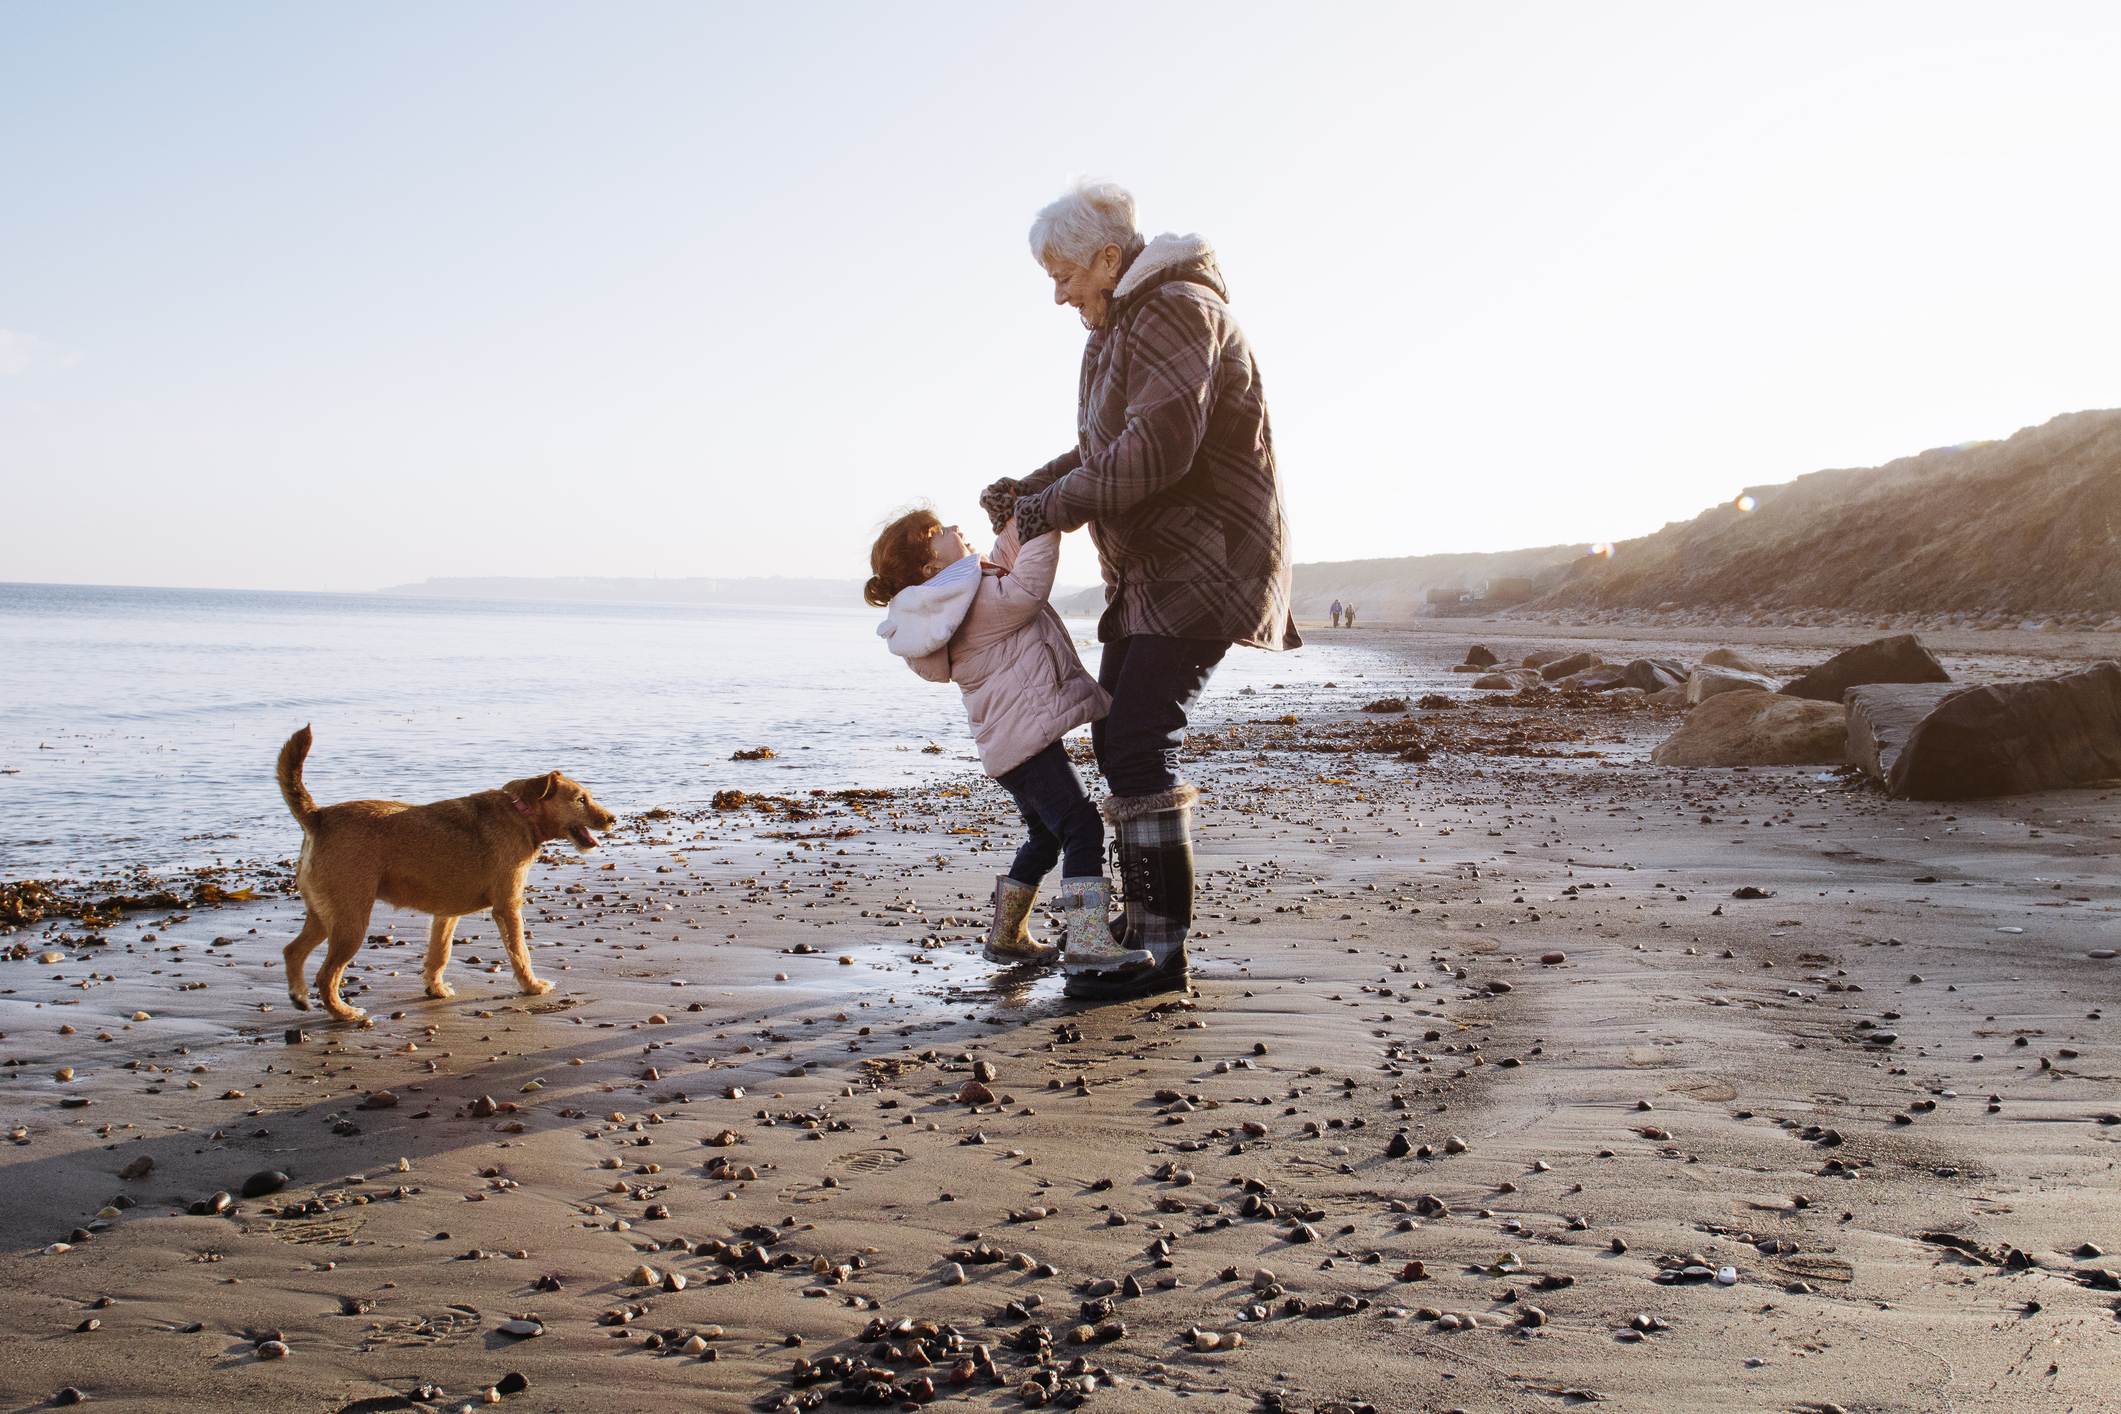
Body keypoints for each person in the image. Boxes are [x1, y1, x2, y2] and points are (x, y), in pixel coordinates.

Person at [980, 177, 1298, 1000]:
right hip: (1158, 570)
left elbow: (1153, 453)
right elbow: (1105, 447)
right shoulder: (1125, 322)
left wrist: (1046, 506)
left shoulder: (1172, 309)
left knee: (1136, 741)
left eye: (1063, 276)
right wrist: (1029, 489)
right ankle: (1139, 932)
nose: (1058, 296)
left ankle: (1158, 951)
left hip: (1204, 562)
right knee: (1120, 738)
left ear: (1109, 258)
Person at [867, 508, 1142, 975]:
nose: (955, 528)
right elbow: (1028, 587)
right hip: (1025, 742)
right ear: (932, 568)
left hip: (1006, 747)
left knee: (1045, 834)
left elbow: (1005, 556)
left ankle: (1007, 936)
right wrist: (1048, 514)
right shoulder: (978, 603)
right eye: (939, 533)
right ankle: (1089, 943)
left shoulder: (952, 600)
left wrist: (1022, 513)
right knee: (1082, 828)